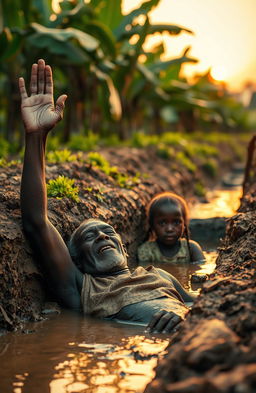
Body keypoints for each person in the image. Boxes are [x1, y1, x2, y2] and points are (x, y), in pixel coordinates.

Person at [19, 59, 195, 334]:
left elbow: (203, 304)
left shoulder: (158, 274)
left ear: (125, 249)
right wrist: (36, 137)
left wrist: (183, 313)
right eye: (90, 237)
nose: (103, 236)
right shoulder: (82, 287)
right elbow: (35, 222)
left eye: (108, 232)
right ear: (77, 260)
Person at [137, 192, 205, 266]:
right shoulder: (146, 251)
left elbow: (201, 269)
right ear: (152, 225)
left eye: (176, 222)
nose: (169, 229)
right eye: (162, 223)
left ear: (184, 224)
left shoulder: (192, 248)